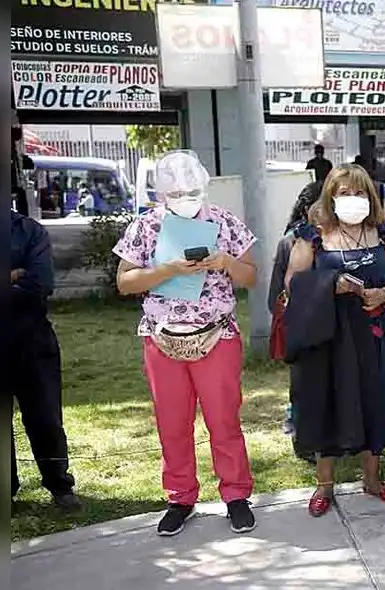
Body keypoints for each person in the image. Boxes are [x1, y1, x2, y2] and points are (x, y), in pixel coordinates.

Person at [112, 150, 258, 537]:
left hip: (216, 334)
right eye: (175, 193)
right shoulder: (146, 226)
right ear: (161, 193)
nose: (185, 198)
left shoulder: (224, 221)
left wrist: (225, 262)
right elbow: (124, 282)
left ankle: (236, 495)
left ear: (204, 187)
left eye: (192, 191)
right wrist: (166, 270)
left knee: (223, 419)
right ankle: (180, 498)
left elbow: (251, 277)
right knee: (172, 422)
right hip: (162, 338)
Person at [284, 164, 385, 517]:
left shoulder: (382, 235)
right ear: (331, 197)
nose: (352, 199)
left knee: (376, 399)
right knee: (327, 400)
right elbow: (292, 282)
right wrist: (331, 284)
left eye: (359, 192)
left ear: (370, 197)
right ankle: (324, 485)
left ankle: (372, 479)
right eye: (344, 193)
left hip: (373, 332)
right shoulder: (312, 236)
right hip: (328, 333)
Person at [10, 210, 82, 513]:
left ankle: (59, 485)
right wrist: (14, 275)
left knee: (46, 419)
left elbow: (41, 284)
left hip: (32, 340)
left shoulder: (29, 231)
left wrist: (24, 280)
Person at [267, 180, 323, 442]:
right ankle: (299, 424)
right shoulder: (290, 242)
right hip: (301, 325)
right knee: (301, 380)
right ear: (307, 208)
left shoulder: (341, 239)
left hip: (328, 322)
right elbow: (275, 293)